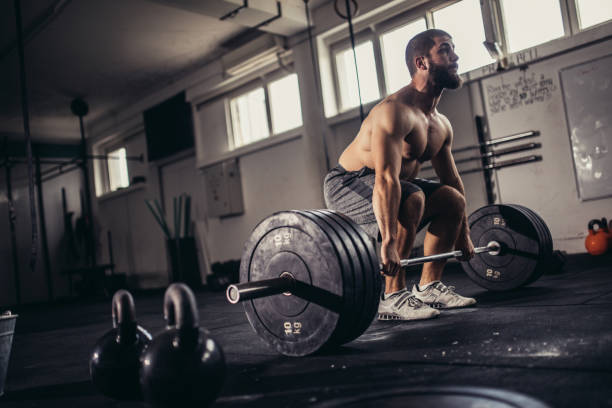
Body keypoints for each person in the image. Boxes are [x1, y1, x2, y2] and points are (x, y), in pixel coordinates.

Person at [324, 29, 476, 321]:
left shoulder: (440, 124)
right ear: (422, 63)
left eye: (453, 49)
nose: (455, 57)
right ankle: (392, 295)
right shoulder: (394, 111)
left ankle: (429, 286)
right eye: (445, 50)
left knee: (452, 199)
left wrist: (464, 234)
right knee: (413, 198)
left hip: (394, 186)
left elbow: (452, 180)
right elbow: (386, 179)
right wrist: (389, 244)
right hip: (348, 182)